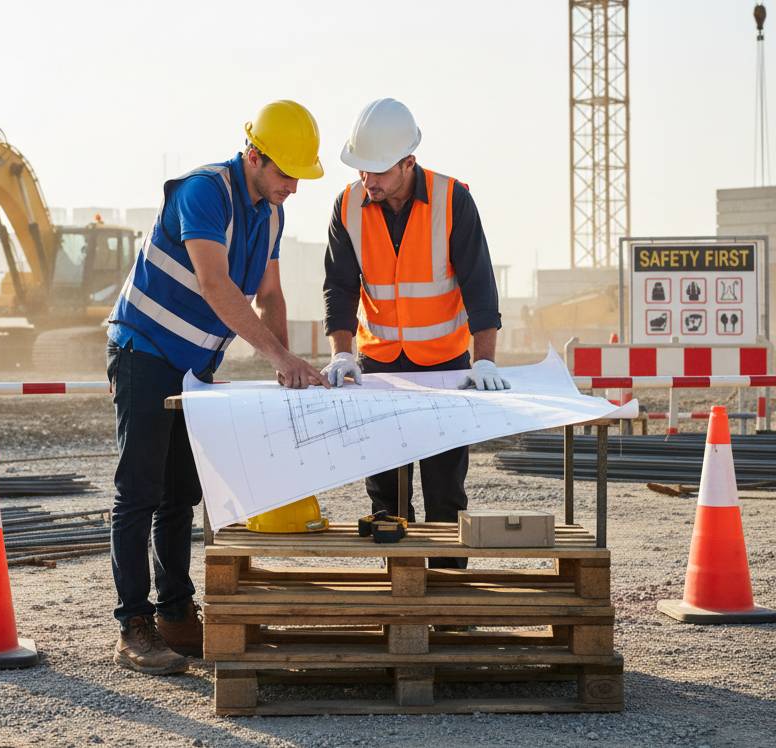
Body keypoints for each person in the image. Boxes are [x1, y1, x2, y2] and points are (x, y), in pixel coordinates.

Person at [106, 100, 328, 675]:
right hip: (143, 352)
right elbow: (215, 284)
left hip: (192, 369)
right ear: (254, 155)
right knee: (139, 491)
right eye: (286, 174)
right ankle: (133, 626)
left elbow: (269, 295)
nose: (293, 188)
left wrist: (286, 365)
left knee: (181, 493)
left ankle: (175, 614)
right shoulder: (203, 192)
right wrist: (278, 355)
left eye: (300, 177)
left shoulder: (271, 214)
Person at [321, 98, 507, 569]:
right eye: (362, 169)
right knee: (386, 496)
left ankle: (446, 596)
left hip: (445, 370)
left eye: (379, 170)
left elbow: (480, 286)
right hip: (378, 368)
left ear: (409, 162)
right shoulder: (348, 205)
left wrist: (484, 359)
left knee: (445, 494)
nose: (369, 180)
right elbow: (339, 287)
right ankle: (399, 594)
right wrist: (342, 353)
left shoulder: (453, 199)